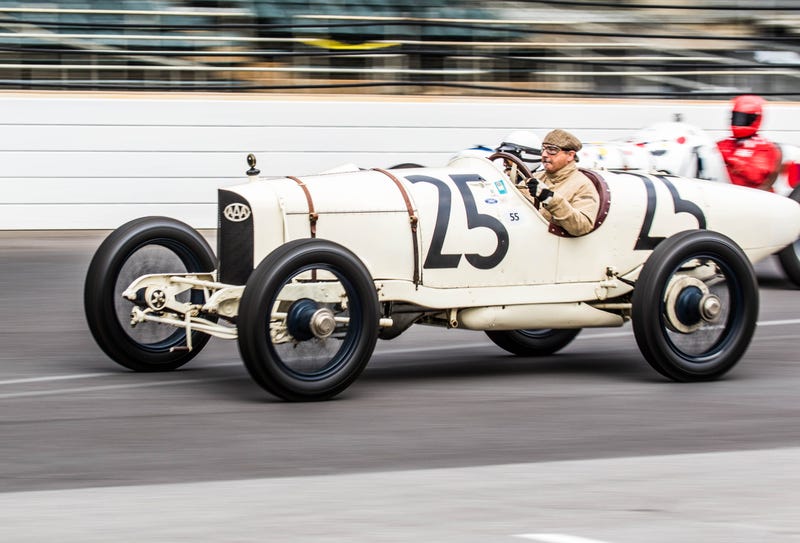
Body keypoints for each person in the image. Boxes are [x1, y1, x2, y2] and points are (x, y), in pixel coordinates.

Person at [516, 129, 599, 236]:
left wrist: (549, 198)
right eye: (544, 149)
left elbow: (582, 226)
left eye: (552, 150)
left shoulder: (583, 185)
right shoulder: (534, 178)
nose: (545, 154)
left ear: (570, 155)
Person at [716, 94, 782, 191]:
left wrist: (732, 161)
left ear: (755, 119)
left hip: (756, 197)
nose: (738, 121)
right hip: (726, 194)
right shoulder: (723, 144)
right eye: (736, 117)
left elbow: (755, 176)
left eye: (743, 118)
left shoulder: (765, 148)